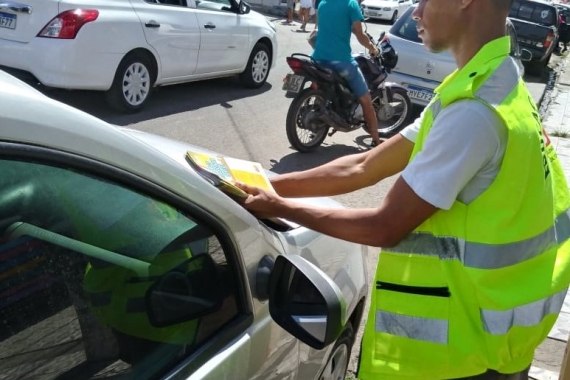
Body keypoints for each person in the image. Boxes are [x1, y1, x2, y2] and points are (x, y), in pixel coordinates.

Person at [237, 0, 570, 379]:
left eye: (426, 0)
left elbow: (384, 227)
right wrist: (268, 185)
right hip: (490, 342)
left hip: (460, 359)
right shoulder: (495, 82)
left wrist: (279, 206)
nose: (416, 12)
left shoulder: (476, 111)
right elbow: (364, 164)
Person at [312, 0, 382, 147]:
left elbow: (319, 29)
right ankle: (376, 140)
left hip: (317, 58)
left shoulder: (323, 3)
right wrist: (373, 49)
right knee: (366, 101)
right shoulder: (351, 4)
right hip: (341, 61)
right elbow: (359, 33)